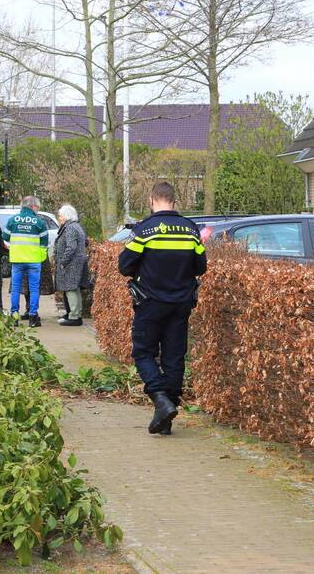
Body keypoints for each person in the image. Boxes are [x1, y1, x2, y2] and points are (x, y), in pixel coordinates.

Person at [119, 181, 207, 436]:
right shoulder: (191, 230)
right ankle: (166, 419)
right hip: (181, 304)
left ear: (152, 200)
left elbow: (124, 266)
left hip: (150, 303)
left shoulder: (145, 231)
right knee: (174, 357)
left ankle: (159, 398)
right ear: (174, 201)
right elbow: (200, 267)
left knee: (143, 353)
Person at [3, 195, 48, 326]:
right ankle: (33, 318)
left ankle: (14, 316)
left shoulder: (13, 220)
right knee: (34, 289)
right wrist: (41, 257)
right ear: (33, 206)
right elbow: (44, 243)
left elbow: (5, 236)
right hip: (34, 260)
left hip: (17, 260)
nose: (38, 210)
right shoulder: (39, 222)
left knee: (16, 289)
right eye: (37, 207)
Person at [55, 204, 89, 327]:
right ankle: (75, 314)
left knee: (70, 289)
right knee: (75, 289)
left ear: (66, 216)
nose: (59, 218)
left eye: (60, 216)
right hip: (77, 262)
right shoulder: (77, 226)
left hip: (72, 263)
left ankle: (74, 317)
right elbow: (86, 242)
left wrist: (64, 261)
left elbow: (71, 247)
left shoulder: (70, 228)